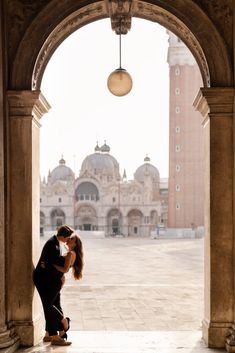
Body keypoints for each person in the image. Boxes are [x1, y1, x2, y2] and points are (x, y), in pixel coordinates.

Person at [33, 225, 74, 346]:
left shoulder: (55, 243)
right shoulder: (52, 244)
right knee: (48, 304)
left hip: (47, 279)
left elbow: (52, 263)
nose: (67, 240)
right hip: (42, 279)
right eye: (67, 238)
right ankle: (62, 323)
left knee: (50, 305)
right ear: (63, 236)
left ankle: (50, 335)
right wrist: (67, 260)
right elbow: (52, 263)